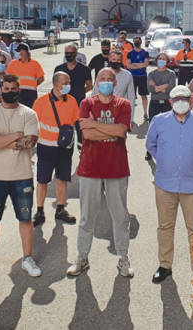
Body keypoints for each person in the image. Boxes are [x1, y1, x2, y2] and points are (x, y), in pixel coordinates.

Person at [67, 68, 134, 278]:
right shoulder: (87, 103)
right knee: (87, 217)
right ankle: (81, 258)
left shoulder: (123, 104)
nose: (105, 82)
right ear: (97, 83)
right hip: (90, 168)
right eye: (102, 79)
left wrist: (96, 125)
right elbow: (87, 134)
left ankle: (123, 258)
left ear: (115, 84)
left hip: (116, 168)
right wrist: (108, 128)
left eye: (109, 79)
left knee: (120, 216)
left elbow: (121, 131)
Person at [147, 85, 193, 284]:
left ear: (192, 100)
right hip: (165, 184)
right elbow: (151, 144)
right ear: (170, 102)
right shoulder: (159, 121)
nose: (180, 101)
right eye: (176, 98)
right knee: (165, 226)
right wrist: (165, 161)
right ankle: (164, 265)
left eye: (184, 98)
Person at [0, 75, 42, 279]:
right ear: (0, 89)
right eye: (6, 88)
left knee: (25, 218)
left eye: (13, 88)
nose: (10, 91)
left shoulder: (29, 114)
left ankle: (27, 258)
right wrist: (15, 136)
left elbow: (30, 143)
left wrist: (0, 138)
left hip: (22, 175)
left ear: (19, 89)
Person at [31, 72, 79, 227]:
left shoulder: (72, 101)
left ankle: (60, 209)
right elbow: (32, 123)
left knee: (62, 179)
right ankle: (39, 211)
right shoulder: (40, 102)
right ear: (55, 84)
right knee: (42, 181)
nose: (68, 85)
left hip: (64, 149)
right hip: (45, 148)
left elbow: (75, 123)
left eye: (69, 82)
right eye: (65, 82)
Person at [6, 43, 45, 107]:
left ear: (26, 52)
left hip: (31, 93)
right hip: (16, 92)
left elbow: (41, 78)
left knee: (30, 112)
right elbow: (8, 78)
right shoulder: (13, 63)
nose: (19, 53)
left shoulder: (35, 63)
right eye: (18, 51)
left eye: (20, 51)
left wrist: (33, 84)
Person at [108, 50, 137, 121]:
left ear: (121, 61)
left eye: (118, 60)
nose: (116, 61)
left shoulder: (127, 75)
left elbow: (131, 96)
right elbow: (95, 94)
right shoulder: (102, 73)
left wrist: (131, 119)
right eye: (114, 59)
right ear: (109, 59)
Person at [126, 37, 149, 119]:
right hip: (132, 77)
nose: (136, 42)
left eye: (138, 41)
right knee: (131, 97)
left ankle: (145, 113)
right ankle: (130, 115)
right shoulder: (130, 53)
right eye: (135, 41)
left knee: (144, 96)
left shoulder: (145, 52)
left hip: (142, 77)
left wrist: (134, 65)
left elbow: (145, 64)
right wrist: (140, 65)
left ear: (141, 42)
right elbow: (128, 66)